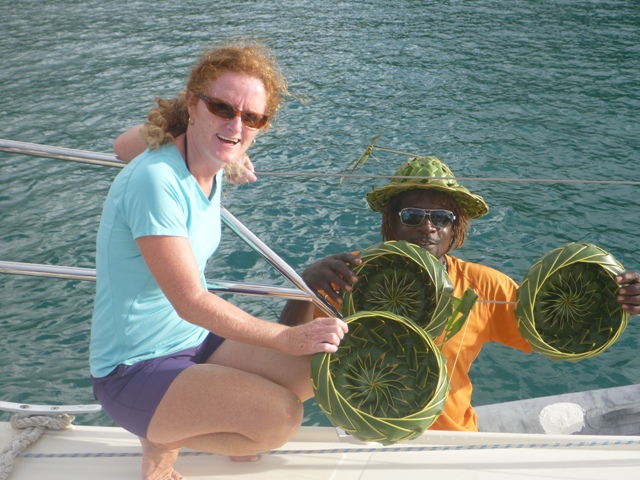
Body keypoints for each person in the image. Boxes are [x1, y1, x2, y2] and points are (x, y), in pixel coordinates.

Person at [89, 41, 348, 480]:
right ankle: (162, 438)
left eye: (252, 118)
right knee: (279, 419)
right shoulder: (156, 181)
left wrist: (226, 148)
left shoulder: (202, 159)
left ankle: (203, 416)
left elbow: (122, 145)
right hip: (132, 367)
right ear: (193, 105)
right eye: (222, 108)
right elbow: (190, 300)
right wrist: (286, 337)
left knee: (324, 369)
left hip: (194, 341)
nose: (236, 124)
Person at [279, 155, 640, 432]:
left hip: (454, 440)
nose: (427, 227)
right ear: (390, 222)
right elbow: (286, 353)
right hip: (368, 436)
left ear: (456, 228)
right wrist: (303, 289)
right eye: (412, 215)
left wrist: (619, 300)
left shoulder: (484, 285)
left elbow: (553, 329)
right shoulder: (349, 277)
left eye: (441, 218)